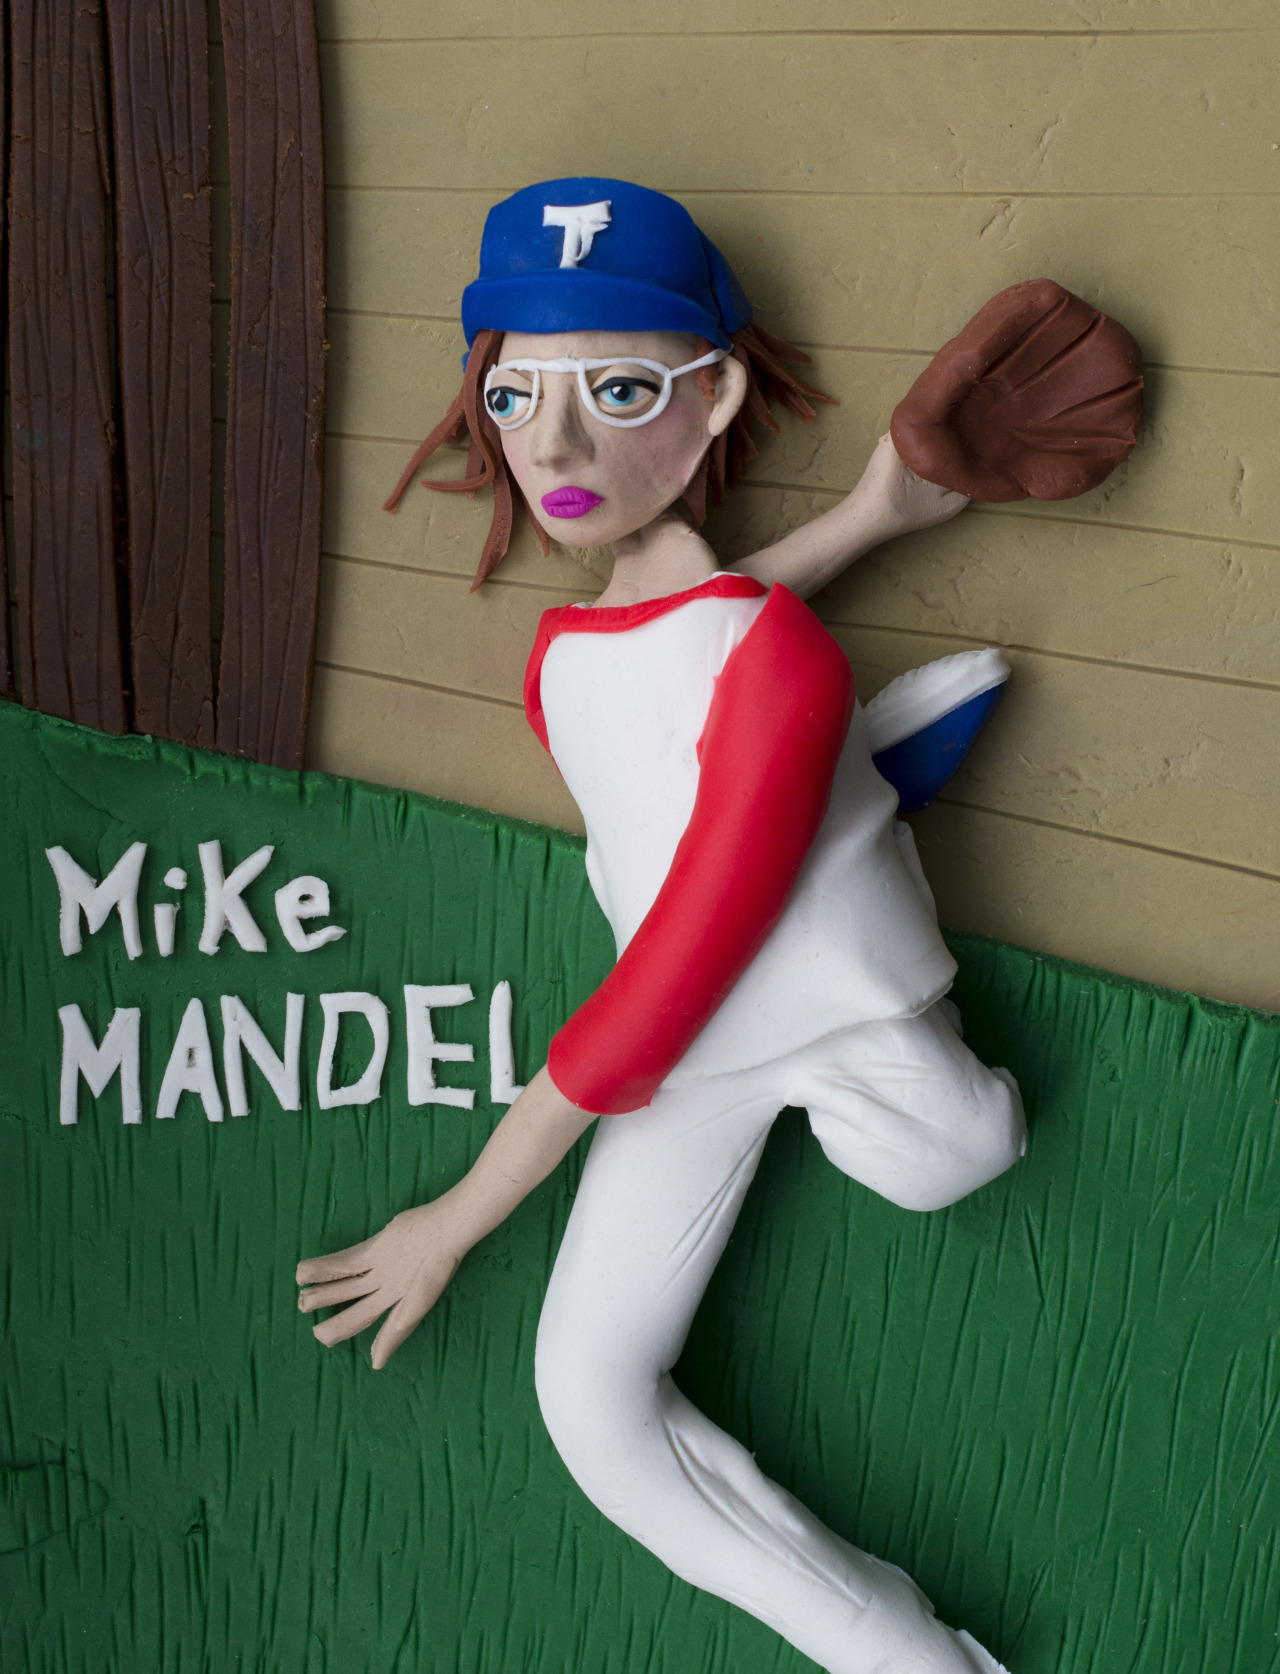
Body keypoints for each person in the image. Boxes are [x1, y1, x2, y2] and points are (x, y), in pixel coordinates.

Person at [297, 178, 1024, 1674]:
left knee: (960, 1156)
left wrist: (456, 1219)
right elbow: (677, 639)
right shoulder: (566, 653)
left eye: (618, 391)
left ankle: (844, 813)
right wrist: (868, 519)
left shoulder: (780, 666)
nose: (554, 450)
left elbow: (675, 962)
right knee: (588, 1401)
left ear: (714, 401)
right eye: (516, 397)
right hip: (688, 1046)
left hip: (782, 1004)